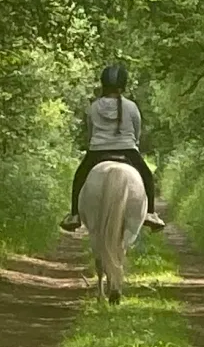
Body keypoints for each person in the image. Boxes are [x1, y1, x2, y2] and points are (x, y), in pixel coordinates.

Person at [60, 63, 165, 232]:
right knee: (146, 175)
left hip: (97, 151)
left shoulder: (94, 107)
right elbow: (137, 131)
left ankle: (74, 215)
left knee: (79, 178)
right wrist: (132, 143)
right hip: (127, 150)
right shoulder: (131, 106)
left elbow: (90, 131)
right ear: (123, 85)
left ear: (103, 83)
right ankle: (151, 213)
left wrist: (95, 143)